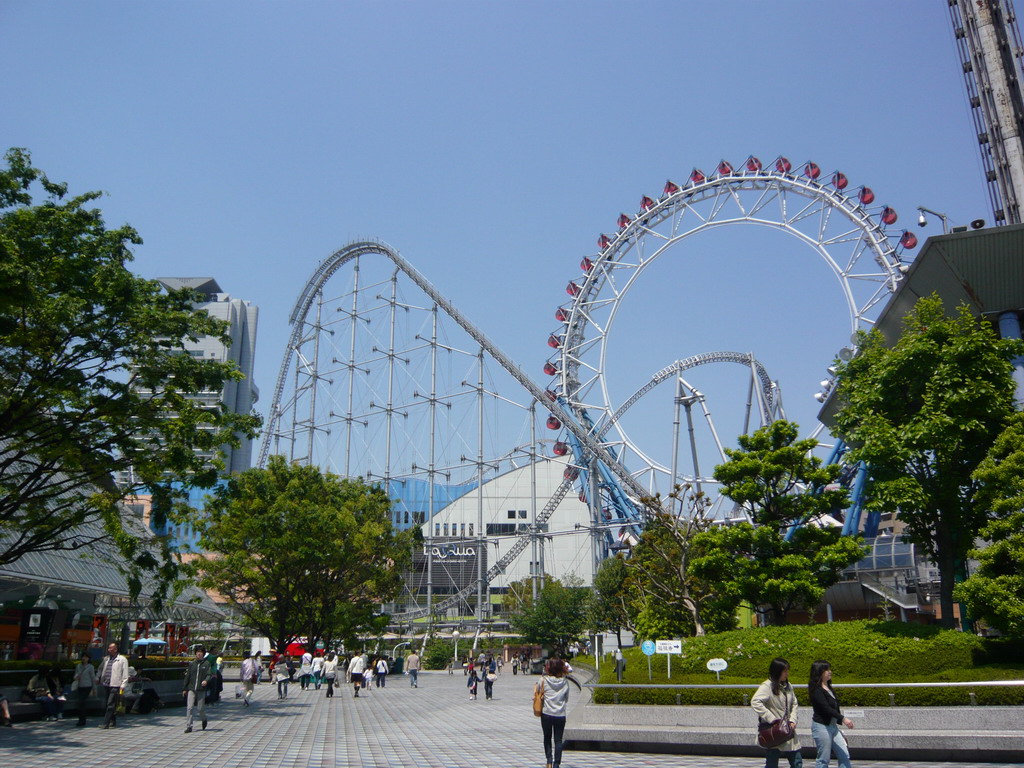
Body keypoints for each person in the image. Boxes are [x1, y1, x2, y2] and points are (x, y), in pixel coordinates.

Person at [751, 657, 802, 768]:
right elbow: (755, 702)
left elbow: (794, 703)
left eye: (787, 670)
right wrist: (772, 718)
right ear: (777, 671)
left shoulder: (788, 686)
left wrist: (793, 720)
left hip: (788, 729)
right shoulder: (767, 686)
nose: (787, 673)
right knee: (772, 763)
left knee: (797, 761)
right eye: (785, 671)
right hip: (774, 730)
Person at [809, 660, 854, 768]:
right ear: (819, 672)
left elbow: (834, 707)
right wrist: (843, 719)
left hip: (833, 727)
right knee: (823, 759)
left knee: (844, 754)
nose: (830, 672)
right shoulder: (817, 690)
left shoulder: (829, 688)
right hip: (821, 727)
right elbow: (826, 708)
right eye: (827, 670)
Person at [537, 657, 571, 768]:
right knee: (558, 740)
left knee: (547, 737)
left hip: (546, 713)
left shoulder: (543, 680)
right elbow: (566, 699)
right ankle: (557, 764)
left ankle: (549, 761)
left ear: (549, 668)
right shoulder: (565, 682)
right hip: (560, 714)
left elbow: (538, 692)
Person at [182, 645, 214, 733]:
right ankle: (189, 726)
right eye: (197, 652)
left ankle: (204, 719)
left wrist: (206, 681)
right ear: (195, 653)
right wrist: (184, 688)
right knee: (189, 708)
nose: (199, 654)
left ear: (203, 654)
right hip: (191, 688)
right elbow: (188, 676)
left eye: (201, 652)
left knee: (200, 708)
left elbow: (209, 674)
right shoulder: (192, 664)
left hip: (201, 689)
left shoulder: (206, 664)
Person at [97, 642, 129, 729]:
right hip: (106, 684)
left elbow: (125, 674)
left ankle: (105, 723)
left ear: (115, 649)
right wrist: (97, 677)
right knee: (109, 703)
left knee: (110, 703)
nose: (109, 650)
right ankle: (113, 721)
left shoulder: (122, 659)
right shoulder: (106, 659)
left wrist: (123, 685)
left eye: (111, 648)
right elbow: (100, 669)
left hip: (116, 684)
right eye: (108, 648)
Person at [72, 652, 97, 727]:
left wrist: (94, 688)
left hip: (87, 686)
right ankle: (81, 719)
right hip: (80, 686)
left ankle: (82, 720)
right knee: (80, 703)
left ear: (88, 658)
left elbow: (93, 678)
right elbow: (75, 676)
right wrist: (76, 677)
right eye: (83, 657)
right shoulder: (78, 666)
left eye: (86, 657)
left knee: (81, 702)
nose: (84, 658)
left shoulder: (90, 667)